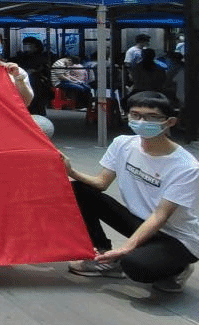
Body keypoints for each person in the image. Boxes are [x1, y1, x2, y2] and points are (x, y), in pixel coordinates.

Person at [64, 92, 198, 292]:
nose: (142, 122)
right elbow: (101, 183)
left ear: (170, 122)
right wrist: (71, 171)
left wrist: (126, 249)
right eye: (135, 115)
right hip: (139, 221)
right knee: (78, 189)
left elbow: (160, 216)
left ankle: (177, 268)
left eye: (152, 117)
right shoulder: (123, 144)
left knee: (135, 266)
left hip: (176, 237)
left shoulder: (186, 167)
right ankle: (103, 253)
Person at [14, 36, 53, 116]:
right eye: (25, 45)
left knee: (37, 106)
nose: (26, 47)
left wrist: (34, 71)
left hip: (37, 85)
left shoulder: (42, 57)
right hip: (22, 84)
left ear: (36, 47)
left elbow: (45, 71)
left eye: (29, 45)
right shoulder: (21, 57)